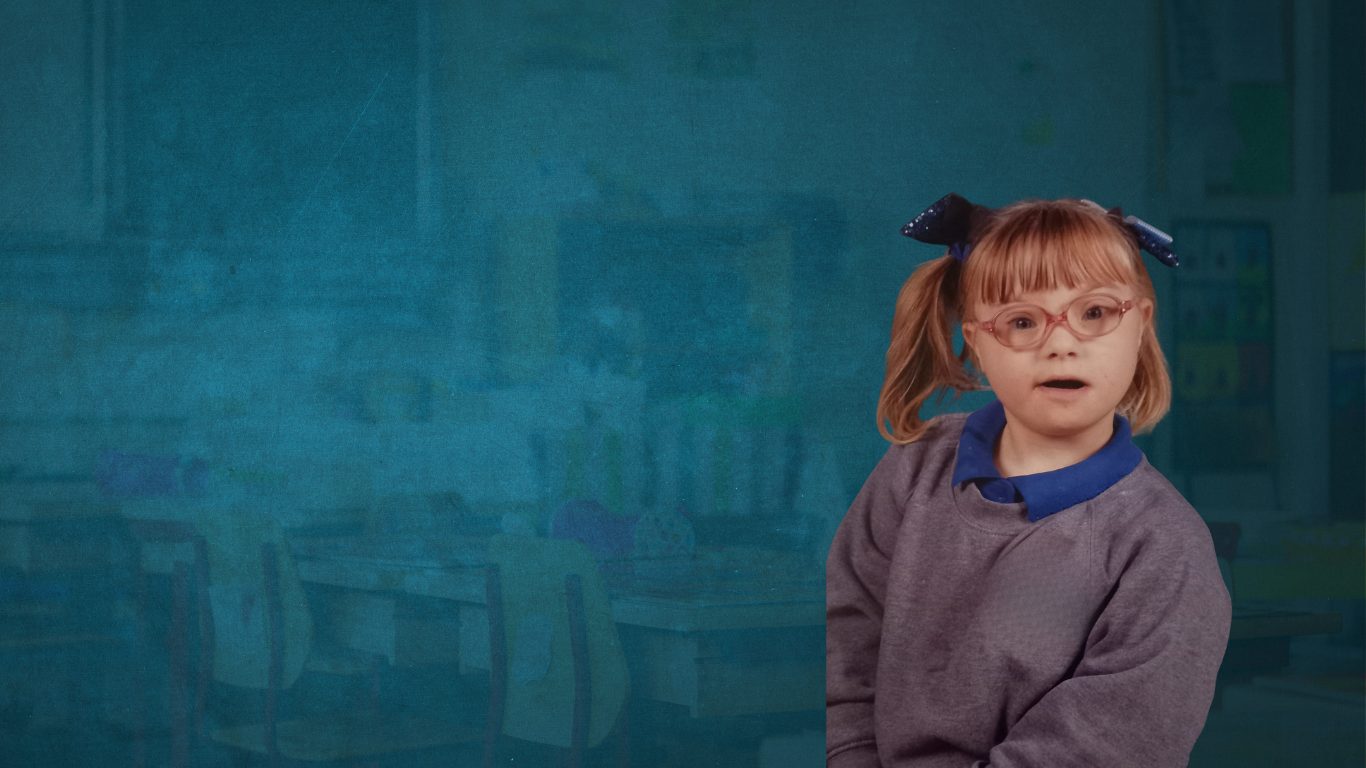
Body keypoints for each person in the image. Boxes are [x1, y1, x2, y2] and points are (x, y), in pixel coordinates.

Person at [826, 194, 1231, 767]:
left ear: (1140, 325)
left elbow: (1108, 743)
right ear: (979, 345)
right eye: (1021, 321)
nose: (1061, 343)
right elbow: (848, 642)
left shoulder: (1163, 545)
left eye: (1094, 313)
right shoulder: (915, 467)